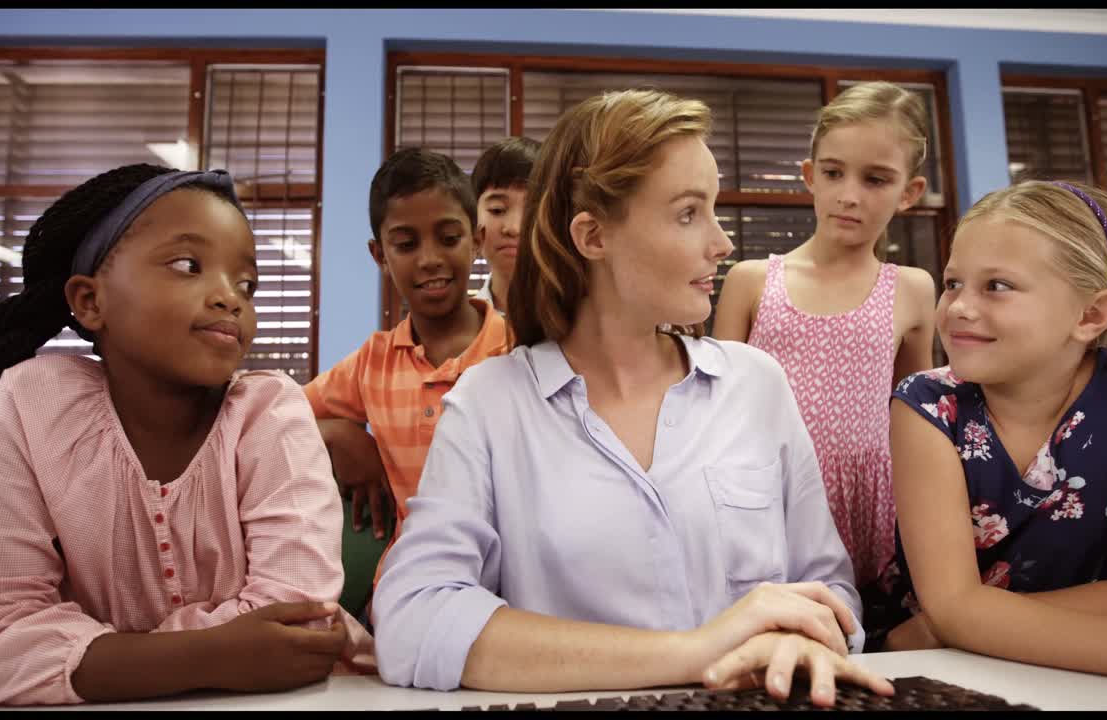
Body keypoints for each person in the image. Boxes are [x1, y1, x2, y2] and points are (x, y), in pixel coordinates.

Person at [372, 89, 894, 708]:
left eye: (715, 210)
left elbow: (830, 590)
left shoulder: (758, 385)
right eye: (687, 213)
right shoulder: (489, 405)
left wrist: (806, 639)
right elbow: (415, 618)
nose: (722, 243)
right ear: (593, 235)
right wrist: (699, 651)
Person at [0, 164, 373, 706]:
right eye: (189, 265)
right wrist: (211, 654)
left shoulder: (268, 413)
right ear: (90, 301)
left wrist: (102, 660)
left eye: (247, 284)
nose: (230, 298)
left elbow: (299, 627)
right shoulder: (33, 406)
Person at [868, 179, 1107, 694]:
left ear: (1091, 315)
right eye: (953, 282)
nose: (958, 306)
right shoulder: (927, 403)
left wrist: (957, 622)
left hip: (1088, 678)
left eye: (997, 286)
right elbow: (953, 605)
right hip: (933, 673)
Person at [712, 81, 936, 593]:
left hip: (873, 504)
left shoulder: (913, 290)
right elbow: (719, 412)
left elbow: (917, 420)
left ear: (909, 192)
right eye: (834, 173)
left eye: (876, 179)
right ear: (810, 177)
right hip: (771, 494)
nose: (849, 195)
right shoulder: (751, 280)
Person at [306, 148, 508, 578]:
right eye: (406, 244)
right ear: (380, 255)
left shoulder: (519, 350)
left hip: (513, 589)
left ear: (477, 239)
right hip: (410, 587)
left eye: (448, 238)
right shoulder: (372, 363)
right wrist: (337, 433)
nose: (429, 258)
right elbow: (268, 417)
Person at [471, 136, 540, 315]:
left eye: (531, 211)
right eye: (497, 210)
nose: (514, 228)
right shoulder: (460, 327)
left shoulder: (581, 322)